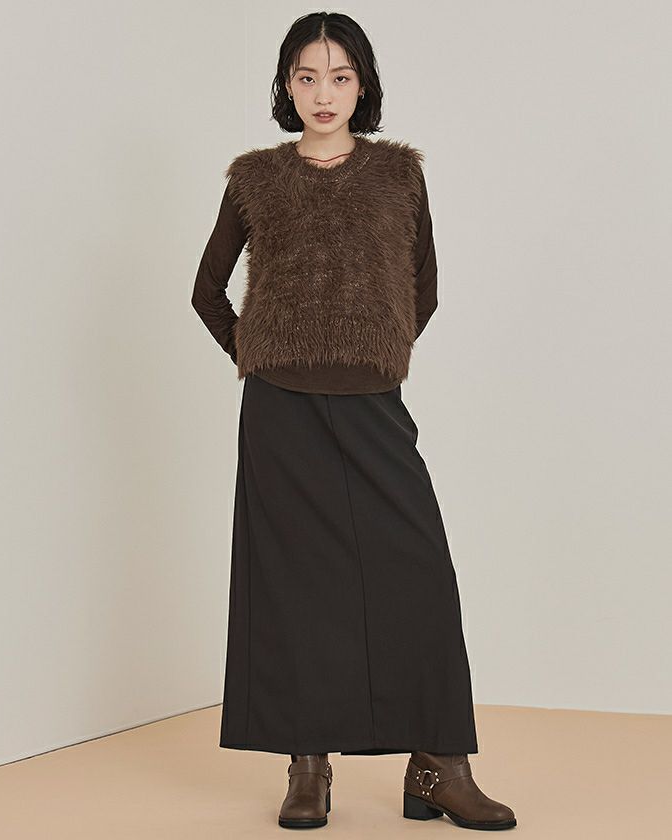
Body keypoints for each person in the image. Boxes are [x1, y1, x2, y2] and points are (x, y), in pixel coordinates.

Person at [191, 11, 516, 832]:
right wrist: (262, 354)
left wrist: (374, 350)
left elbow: (422, 287)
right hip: (279, 410)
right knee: (295, 585)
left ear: (362, 84)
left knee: (420, 571)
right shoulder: (256, 177)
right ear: (285, 85)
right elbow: (206, 291)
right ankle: (307, 765)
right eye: (306, 77)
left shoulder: (398, 173)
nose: (323, 93)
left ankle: (439, 766)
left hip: (372, 403)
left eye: (339, 77)